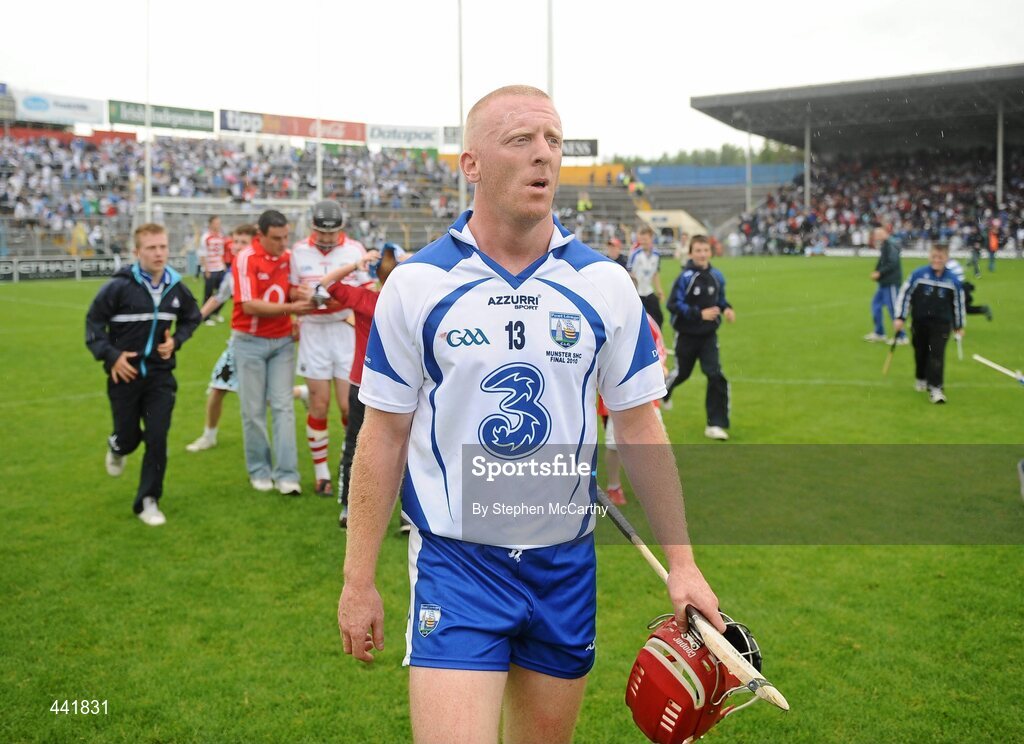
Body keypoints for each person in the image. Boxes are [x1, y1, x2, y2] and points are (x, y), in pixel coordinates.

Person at [336, 85, 722, 744]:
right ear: (473, 165)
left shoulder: (603, 285)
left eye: (553, 141)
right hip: (458, 567)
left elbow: (639, 426)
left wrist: (683, 565)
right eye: (521, 140)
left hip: (564, 568)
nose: (543, 156)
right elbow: (384, 434)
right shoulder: (418, 285)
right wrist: (357, 580)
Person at [85, 223, 202, 526]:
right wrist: (111, 356)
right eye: (152, 248)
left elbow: (192, 316)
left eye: (163, 246)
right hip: (123, 377)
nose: (159, 253)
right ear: (137, 252)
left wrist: (176, 341)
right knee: (129, 438)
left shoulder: (176, 286)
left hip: (161, 378)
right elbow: (93, 324)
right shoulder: (118, 287)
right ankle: (117, 447)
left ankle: (148, 500)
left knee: (157, 436)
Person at [312, 246, 401, 529]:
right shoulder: (410, 302)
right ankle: (407, 514)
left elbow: (324, 284)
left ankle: (349, 508)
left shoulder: (364, 299)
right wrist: (411, 260)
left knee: (355, 446)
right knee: (406, 448)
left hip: (362, 384)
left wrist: (355, 264)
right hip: (400, 386)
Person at [289, 200, 373, 497]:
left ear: (341, 230)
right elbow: (291, 288)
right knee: (319, 403)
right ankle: (322, 472)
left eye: (332, 233)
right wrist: (300, 296)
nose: (326, 239)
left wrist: (338, 300)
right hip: (313, 330)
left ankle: (345, 464)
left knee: (349, 406)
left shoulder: (354, 250)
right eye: (321, 233)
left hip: (344, 329)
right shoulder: (298, 251)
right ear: (312, 229)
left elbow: (368, 288)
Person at [231, 210, 313, 494]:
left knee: (283, 407)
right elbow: (249, 304)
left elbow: (290, 290)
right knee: (252, 410)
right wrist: (292, 309)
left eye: (286, 237)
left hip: (281, 343)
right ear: (261, 236)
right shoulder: (245, 258)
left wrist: (299, 296)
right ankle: (259, 470)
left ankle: (288, 475)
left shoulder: (289, 258)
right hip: (249, 342)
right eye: (276, 238)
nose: (282, 243)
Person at [185, 224, 257, 453]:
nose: (236, 247)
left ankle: (301, 392)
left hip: (262, 343)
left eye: (243, 242)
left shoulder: (260, 269)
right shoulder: (233, 270)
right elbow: (218, 297)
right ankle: (209, 435)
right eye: (235, 242)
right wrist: (195, 319)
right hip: (238, 342)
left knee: (263, 398)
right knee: (218, 386)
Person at [663, 235, 736, 440]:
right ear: (691, 253)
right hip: (686, 335)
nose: (702, 254)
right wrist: (698, 313)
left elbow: (720, 299)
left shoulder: (717, 276)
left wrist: (727, 308)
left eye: (705, 250)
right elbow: (673, 305)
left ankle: (715, 424)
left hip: (708, 336)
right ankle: (665, 391)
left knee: (715, 375)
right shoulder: (685, 278)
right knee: (682, 373)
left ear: (710, 252)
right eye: (698, 251)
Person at [602, 312, 669, 506]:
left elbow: (659, 348)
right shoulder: (606, 315)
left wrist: (659, 367)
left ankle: (656, 487)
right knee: (614, 444)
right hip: (616, 394)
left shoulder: (645, 319)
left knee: (657, 440)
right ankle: (614, 486)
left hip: (644, 395)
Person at [893, 244, 965, 404]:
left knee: (936, 355)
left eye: (940, 257)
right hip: (920, 322)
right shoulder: (918, 275)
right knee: (920, 352)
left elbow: (958, 304)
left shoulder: (953, 280)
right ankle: (921, 378)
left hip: (941, 324)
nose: (937, 260)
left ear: (946, 258)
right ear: (929, 257)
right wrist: (900, 317)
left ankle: (936, 388)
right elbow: (905, 295)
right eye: (934, 257)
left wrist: (959, 326)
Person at [864, 226, 907, 344]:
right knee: (876, 305)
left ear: (885, 233)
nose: (876, 237)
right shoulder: (885, 245)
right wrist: (876, 271)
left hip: (891, 283)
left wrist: (880, 272)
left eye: (878, 234)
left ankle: (902, 336)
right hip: (884, 283)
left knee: (893, 308)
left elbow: (892, 263)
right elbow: (882, 261)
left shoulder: (891, 245)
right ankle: (879, 333)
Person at [627, 225, 664, 329]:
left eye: (645, 239)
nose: (643, 242)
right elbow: (629, 274)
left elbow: (655, 273)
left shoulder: (656, 254)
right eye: (641, 239)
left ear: (651, 238)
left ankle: (656, 342)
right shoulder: (635, 254)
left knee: (658, 318)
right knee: (639, 323)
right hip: (637, 294)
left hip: (648, 292)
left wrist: (659, 290)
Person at [199, 216, 229, 325]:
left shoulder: (221, 236)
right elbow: (202, 254)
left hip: (220, 267)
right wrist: (206, 269)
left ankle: (215, 313)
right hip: (210, 269)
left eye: (219, 222)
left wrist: (224, 265)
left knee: (224, 291)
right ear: (211, 224)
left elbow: (221, 253)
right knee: (208, 293)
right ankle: (205, 317)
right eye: (216, 222)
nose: (218, 224)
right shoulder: (205, 237)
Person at [946, 258, 993, 322]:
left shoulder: (947, 265)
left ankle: (952, 326)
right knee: (963, 308)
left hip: (958, 289)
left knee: (953, 308)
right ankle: (982, 309)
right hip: (962, 288)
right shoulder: (953, 262)